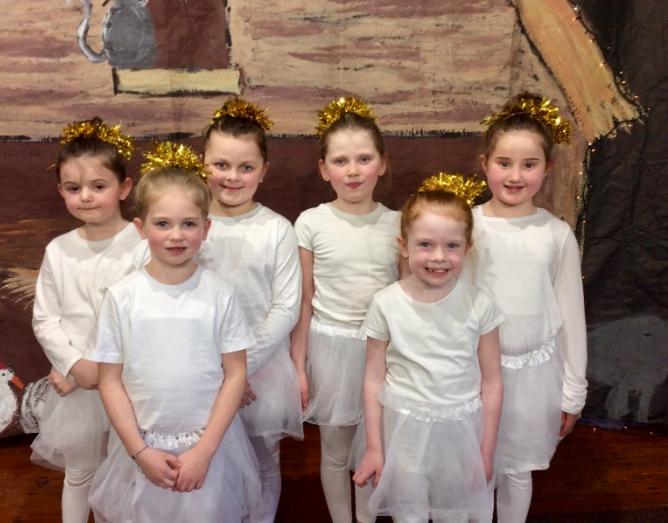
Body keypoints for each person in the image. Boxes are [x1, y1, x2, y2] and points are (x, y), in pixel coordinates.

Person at [88, 142, 261, 522]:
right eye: (163, 224)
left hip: (209, 446)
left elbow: (235, 374)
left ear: (206, 228)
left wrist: (204, 451)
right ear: (140, 227)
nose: (176, 235)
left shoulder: (221, 294)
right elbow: (109, 381)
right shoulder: (121, 297)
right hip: (142, 446)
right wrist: (140, 452)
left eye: (189, 224)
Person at [353, 174, 503, 522]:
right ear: (403, 246)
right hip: (404, 429)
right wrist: (375, 447)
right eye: (425, 244)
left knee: (454, 513)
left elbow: (492, 382)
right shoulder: (386, 304)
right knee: (409, 514)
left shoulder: (480, 305)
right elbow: (373, 378)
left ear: (467, 248)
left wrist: (485, 451)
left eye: (451, 246)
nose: (438, 257)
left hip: (460, 430)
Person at [471, 93, 588, 522]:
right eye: (504, 163)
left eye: (529, 164)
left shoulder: (555, 234)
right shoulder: (467, 226)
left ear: (548, 167)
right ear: (485, 163)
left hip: (533, 376)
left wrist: (573, 390)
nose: (515, 175)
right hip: (471, 374)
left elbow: (570, 316)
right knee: (474, 468)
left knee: (517, 471)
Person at [291, 96, 402, 523]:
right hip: (330, 349)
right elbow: (304, 301)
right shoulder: (311, 223)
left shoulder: (397, 224)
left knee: (374, 446)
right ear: (324, 169)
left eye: (364, 159)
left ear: (382, 163)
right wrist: (299, 366)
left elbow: (407, 299)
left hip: (382, 350)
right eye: (341, 161)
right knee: (336, 451)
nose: (353, 170)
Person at [31, 118, 141, 523]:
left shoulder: (142, 244)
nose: (86, 197)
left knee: (129, 468)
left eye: (98, 186)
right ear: (61, 191)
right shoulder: (59, 251)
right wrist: (73, 365)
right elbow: (45, 319)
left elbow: (142, 315)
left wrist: (91, 371)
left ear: (124, 188)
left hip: (130, 380)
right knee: (79, 473)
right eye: (74, 188)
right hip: (77, 385)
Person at [199, 98, 303, 522]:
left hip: (260, 369)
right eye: (221, 165)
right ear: (203, 163)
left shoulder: (277, 229)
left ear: (263, 170)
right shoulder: (189, 226)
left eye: (246, 167)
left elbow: (286, 306)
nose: (232, 177)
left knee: (262, 460)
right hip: (201, 367)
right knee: (210, 455)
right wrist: (217, 371)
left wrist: (239, 369)